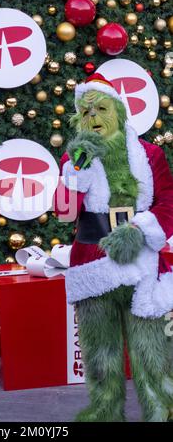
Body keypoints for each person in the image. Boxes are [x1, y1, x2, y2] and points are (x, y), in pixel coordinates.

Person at [58, 73, 173, 422]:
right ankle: (105, 410)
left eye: (101, 108)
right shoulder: (76, 159)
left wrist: (141, 230)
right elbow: (64, 213)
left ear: (119, 111)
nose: (94, 118)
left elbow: (168, 200)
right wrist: (75, 169)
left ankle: (162, 410)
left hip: (142, 262)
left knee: (152, 351)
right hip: (93, 263)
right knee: (100, 353)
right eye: (86, 111)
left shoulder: (150, 154)